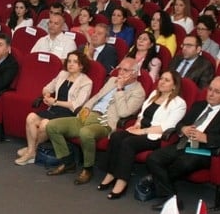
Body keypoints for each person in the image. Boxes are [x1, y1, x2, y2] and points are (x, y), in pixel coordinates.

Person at [44, 58, 146, 186]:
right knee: (52, 126)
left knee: (86, 132)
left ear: (134, 73)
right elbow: (97, 96)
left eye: (125, 70)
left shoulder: (138, 92)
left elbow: (124, 113)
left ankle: (88, 169)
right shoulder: (112, 80)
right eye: (120, 68)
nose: (120, 72)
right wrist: (85, 108)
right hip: (89, 115)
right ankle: (67, 162)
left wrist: (120, 89)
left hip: (105, 122)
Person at [143, 76, 220, 209]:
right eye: (210, 89)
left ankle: (157, 184)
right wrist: (183, 128)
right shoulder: (198, 105)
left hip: (204, 150)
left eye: (216, 92)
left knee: (183, 163)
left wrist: (206, 138)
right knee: (153, 158)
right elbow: (180, 124)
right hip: (184, 143)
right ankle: (171, 198)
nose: (211, 94)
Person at [97, 71, 186, 199]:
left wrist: (142, 131)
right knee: (117, 136)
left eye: (167, 80)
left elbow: (167, 126)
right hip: (140, 129)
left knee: (128, 143)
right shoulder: (155, 94)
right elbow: (142, 113)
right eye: (161, 78)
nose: (161, 81)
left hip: (155, 136)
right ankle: (111, 173)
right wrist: (138, 124)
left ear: (174, 86)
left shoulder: (179, 103)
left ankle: (122, 181)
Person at [15, 51, 93, 166]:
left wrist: (55, 101)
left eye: (75, 62)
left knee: (44, 124)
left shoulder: (86, 82)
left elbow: (76, 105)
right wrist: (46, 94)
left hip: (69, 114)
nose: (71, 64)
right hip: (54, 109)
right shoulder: (62, 74)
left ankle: (31, 151)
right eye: (69, 61)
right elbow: (47, 88)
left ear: (81, 65)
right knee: (30, 117)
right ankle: (32, 150)